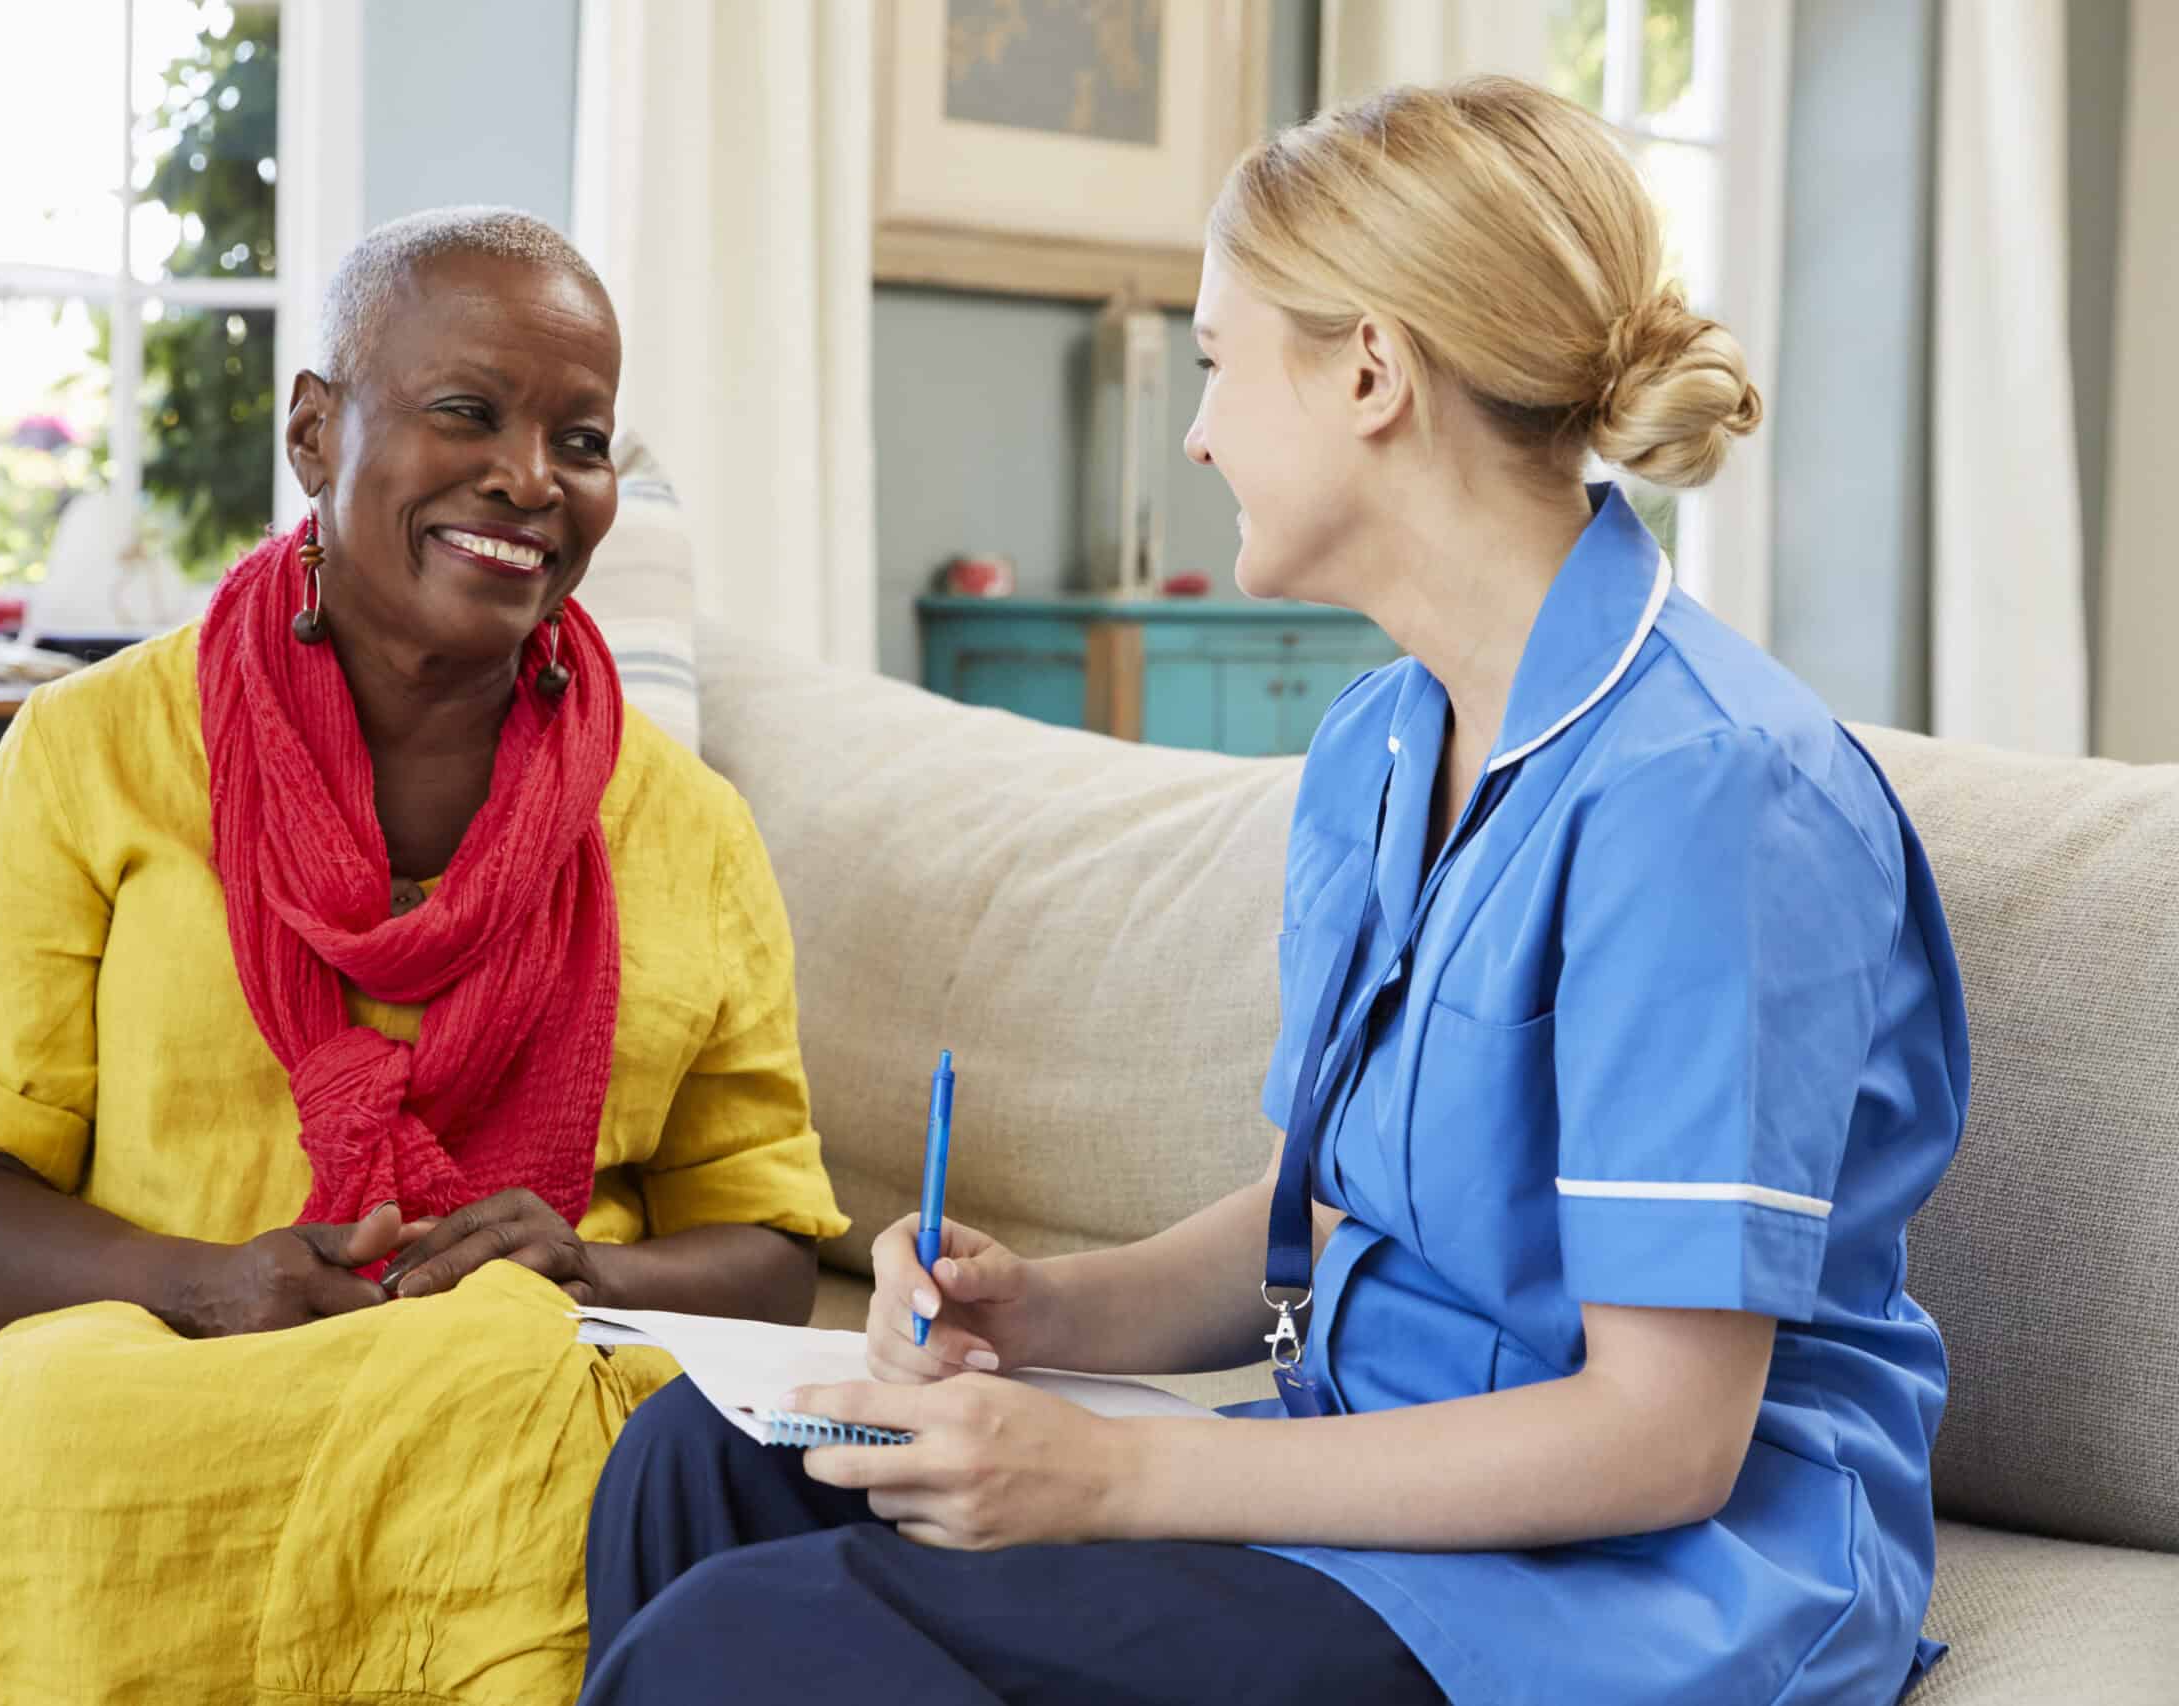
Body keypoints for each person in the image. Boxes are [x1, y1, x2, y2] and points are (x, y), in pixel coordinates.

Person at [581, 78, 1967, 1706]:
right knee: (697, 1462)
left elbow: (1660, 1436)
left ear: (1372, 371)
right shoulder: (1384, 746)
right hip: (1361, 1480)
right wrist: (1041, 1317)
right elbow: (1324, 1218)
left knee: (756, 1642)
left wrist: (1109, 1477)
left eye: (1223, 360)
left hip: (1627, 1583)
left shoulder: (1710, 793)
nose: (1199, 428)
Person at [0, 207, 847, 1704]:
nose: (529, 476)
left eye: (582, 440)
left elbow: (771, 1252)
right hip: (171, 1360)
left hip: (513, 1381)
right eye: (469, 412)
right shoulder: (97, 752)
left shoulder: (685, 827)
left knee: (521, 1393)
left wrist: (587, 1266)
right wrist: (207, 1283)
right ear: (316, 432)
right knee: (42, 1423)